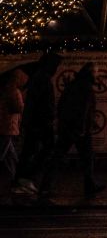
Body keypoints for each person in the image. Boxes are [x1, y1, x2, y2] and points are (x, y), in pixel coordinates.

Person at [37, 61, 101, 198]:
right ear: (90, 73)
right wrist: (82, 128)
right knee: (86, 158)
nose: (97, 75)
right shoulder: (86, 87)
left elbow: (62, 106)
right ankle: (89, 186)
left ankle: (45, 186)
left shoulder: (73, 84)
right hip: (79, 130)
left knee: (60, 157)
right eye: (96, 72)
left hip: (68, 128)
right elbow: (83, 110)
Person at [17, 51, 59, 194]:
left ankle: (21, 179)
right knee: (46, 148)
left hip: (36, 121)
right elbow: (42, 103)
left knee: (29, 150)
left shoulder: (38, 77)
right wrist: (49, 117)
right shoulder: (43, 79)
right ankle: (26, 177)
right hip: (41, 122)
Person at [1, 65, 27, 193]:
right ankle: (17, 179)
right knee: (3, 153)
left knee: (10, 156)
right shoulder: (14, 91)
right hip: (8, 126)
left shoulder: (7, 89)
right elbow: (18, 108)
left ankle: (16, 179)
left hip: (6, 126)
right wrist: (23, 101)